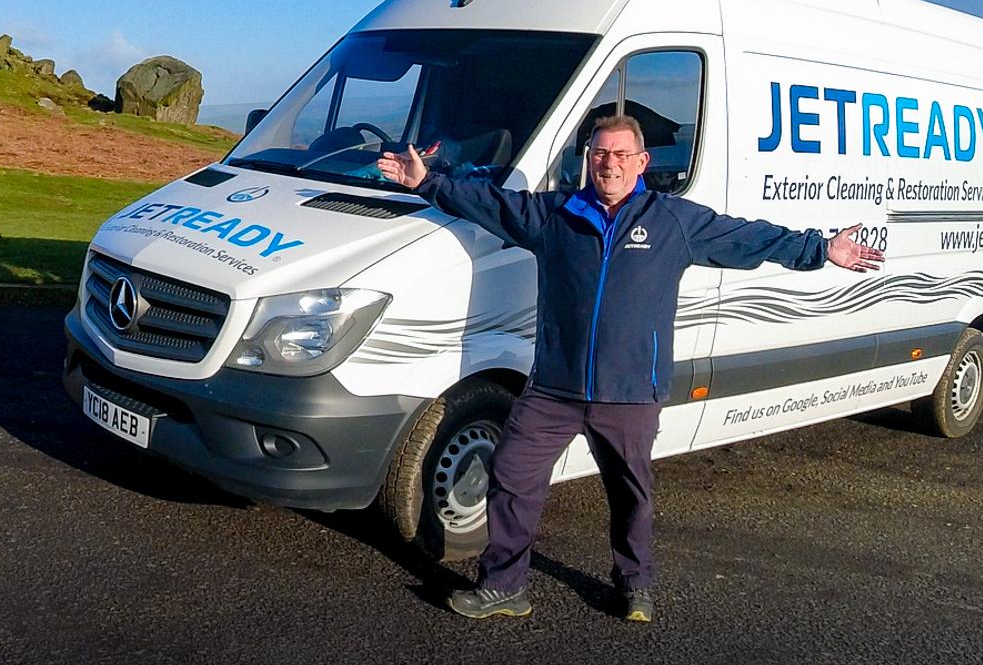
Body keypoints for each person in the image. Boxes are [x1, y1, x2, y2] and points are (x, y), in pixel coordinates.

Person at [376, 115, 882, 623]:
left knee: (629, 494)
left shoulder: (672, 221)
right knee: (510, 474)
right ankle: (503, 587)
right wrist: (426, 182)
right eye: (600, 153)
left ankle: (635, 584)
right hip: (554, 387)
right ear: (588, 160)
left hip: (631, 390)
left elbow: (745, 237)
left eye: (620, 155)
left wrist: (821, 249)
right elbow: (491, 204)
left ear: (642, 162)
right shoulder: (555, 215)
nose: (609, 164)